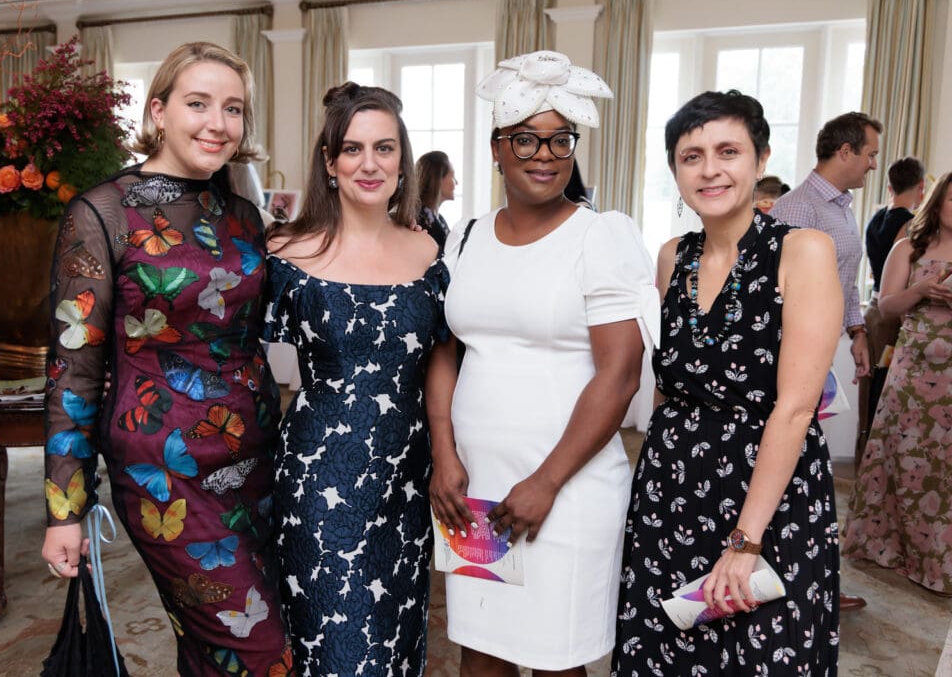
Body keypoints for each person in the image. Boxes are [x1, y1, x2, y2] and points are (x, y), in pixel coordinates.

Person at [40, 42, 289, 675]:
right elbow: (74, 370)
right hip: (164, 474)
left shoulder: (241, 216)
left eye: (233, 109)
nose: (218, 123)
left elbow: (251, 335)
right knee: (261, 653)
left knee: (212, 652)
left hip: (257, 465)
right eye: (198, 103)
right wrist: (65, 509)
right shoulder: (101, 213)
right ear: (158, 110)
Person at [428, 50, 657, 674]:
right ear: (497, 148)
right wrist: (445, 456)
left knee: (559, 658)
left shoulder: (601, 235)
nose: (545, 154)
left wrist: (547, 481)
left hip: (568, 486)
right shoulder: (466, 235)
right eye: (525, 139)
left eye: (560, 140)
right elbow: (446, 350)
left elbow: (621, 374)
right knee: (482, 652)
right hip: (476, 485)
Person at [611, 90, 843, 676]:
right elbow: (667, 387)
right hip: (671, 490)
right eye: (691, 156)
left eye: (728, 151)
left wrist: (745, 541)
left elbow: (794, 409)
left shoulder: (802, 250)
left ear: (760, 160)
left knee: (761, 653)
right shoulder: (671, 257)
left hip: (765, 498)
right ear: (675, 170)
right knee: (667, 650)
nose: (710, 169)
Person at [263, 82, 447, 674]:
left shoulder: (430, 251)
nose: (370, 163)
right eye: (353, 149)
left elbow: (447, 357)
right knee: (336, 652)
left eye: (385, 148)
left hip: (409, 483)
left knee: (396, 644)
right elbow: (231, 363)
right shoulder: (286, 254)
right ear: (329, 161)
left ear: (403, 159)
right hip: (319, 482)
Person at [770, 111, 882, 612]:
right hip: (791, 361)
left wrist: (857, 331)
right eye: (870, 153)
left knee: (808, 472)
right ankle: (797, 583)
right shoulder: (798, 208)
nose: (874, 164)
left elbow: (844, 276)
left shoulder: (841, 204)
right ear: (845, 151)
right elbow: (773, 296)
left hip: (820, 352)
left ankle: (812, 581)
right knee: (795, 469)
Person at [842, 171, 952, 594]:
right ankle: (891, 544)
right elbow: (886, 306)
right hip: (914, 366)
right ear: (937, 200)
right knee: (903, 455)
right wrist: (922, 289)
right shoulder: (910, 246)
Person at [857, 156, 926, 467]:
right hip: (893, 316)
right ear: (921, 188)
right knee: (887, 387)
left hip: (872, 311)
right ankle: (878, 458)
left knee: (871, 383)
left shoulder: (875, 219)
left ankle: (863, 452)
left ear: (890, 185)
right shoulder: (911, 225)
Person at [415, 149, 456, 247]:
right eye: (453, 177)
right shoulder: (417, 221)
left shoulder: (440, 219)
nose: (456, 182)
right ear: (438, 180)